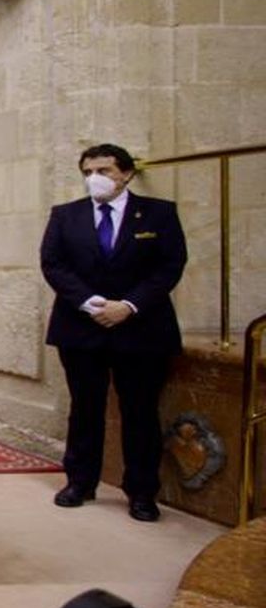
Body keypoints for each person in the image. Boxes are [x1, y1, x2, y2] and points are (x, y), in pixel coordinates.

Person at [41, 143, 187, 522]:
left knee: (140, 411)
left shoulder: (159, 213)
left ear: (126, 173)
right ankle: (80, 482)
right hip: (81, 326)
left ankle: (141, 492)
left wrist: (129, 305)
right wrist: (89, 303)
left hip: (141, 328)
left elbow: (170, 266)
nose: (95, 178)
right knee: (85, 407)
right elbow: (53, 264)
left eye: (103, 171)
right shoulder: (66, 215)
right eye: (88, 172)